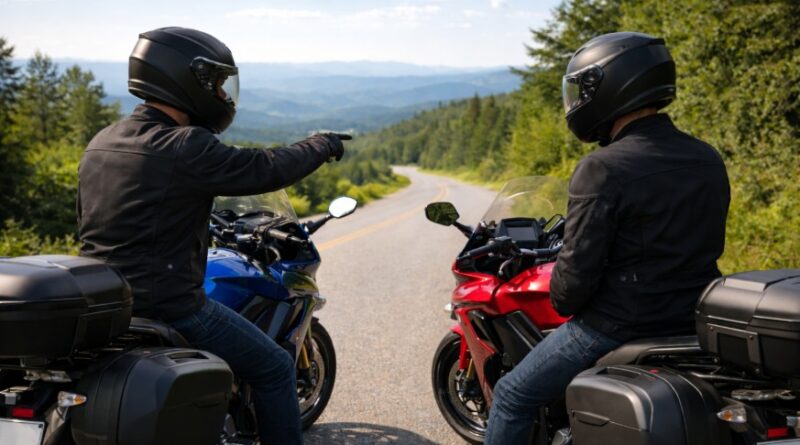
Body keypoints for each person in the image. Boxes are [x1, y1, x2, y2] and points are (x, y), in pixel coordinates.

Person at [77, 27, 349, 444]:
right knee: (275, 367)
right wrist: (320, 144)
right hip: (169, 306)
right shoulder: (184, 144)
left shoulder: (102, 142)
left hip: (106, 304)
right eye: (218, 85)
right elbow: (264, 168)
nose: (223, 95)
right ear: (185, 79)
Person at [484, 32, 730, 443]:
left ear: (610, 87)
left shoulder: (602, 168)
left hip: (620, 323)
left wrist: (562, 287)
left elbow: (571, 287)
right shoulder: (706, 156)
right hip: (693, 318)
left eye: (581, 89)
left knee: (512, 395)